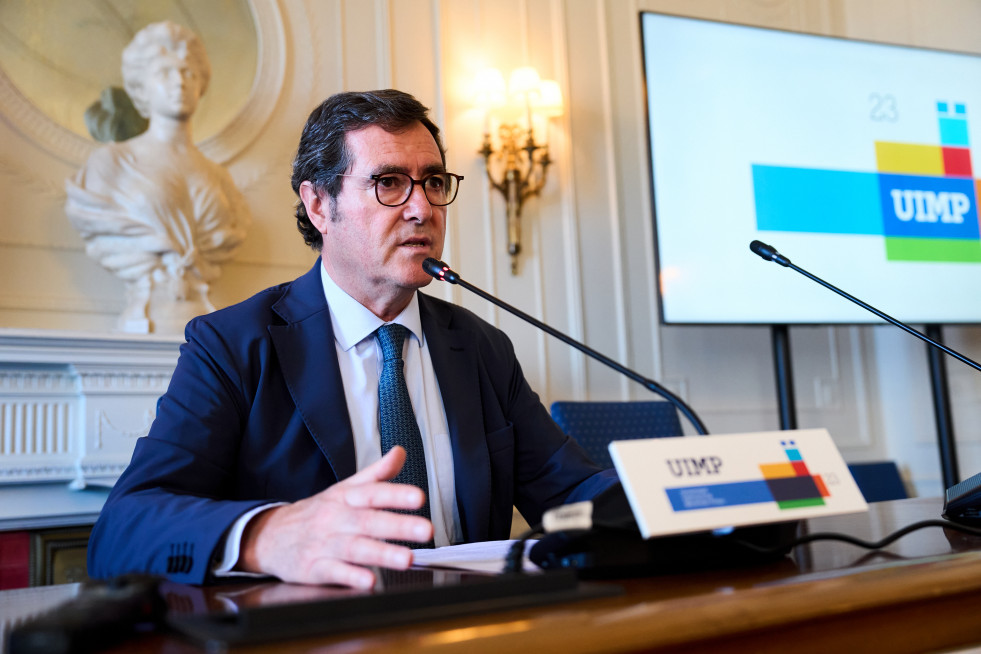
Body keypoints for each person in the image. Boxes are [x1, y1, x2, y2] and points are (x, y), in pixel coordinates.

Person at [87, 89, 616, 588]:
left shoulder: (481, 348)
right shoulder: (232, 345)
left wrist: (659, 496)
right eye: (389, 182)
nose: (422, 209)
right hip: (318, 631)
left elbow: (571, 491)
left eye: (434, 182)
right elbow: (122, 529)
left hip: (466, 625)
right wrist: (266, 535)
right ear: (319, 205)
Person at [65, 21, 250, 334]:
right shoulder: (111, 164)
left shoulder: (220, 178)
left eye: (188, 72)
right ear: (140, 88)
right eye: (165, 72)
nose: (179, 81)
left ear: (200, 84)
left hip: (205, 325)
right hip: (144, 317)